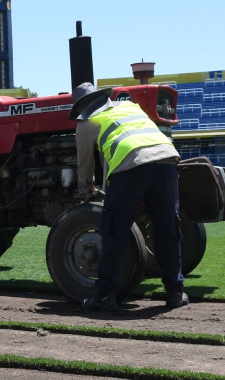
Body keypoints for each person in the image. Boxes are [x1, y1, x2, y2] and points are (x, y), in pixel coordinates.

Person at [69, 82, 187, 312]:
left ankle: (105, 296)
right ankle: (175, 292)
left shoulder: (86, 124)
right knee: (167, 230)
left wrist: (88, 189)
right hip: (166, 161)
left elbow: (85, 166)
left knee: (113, 231)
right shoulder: (132, 108)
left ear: (81, 107)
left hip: (131, 169)